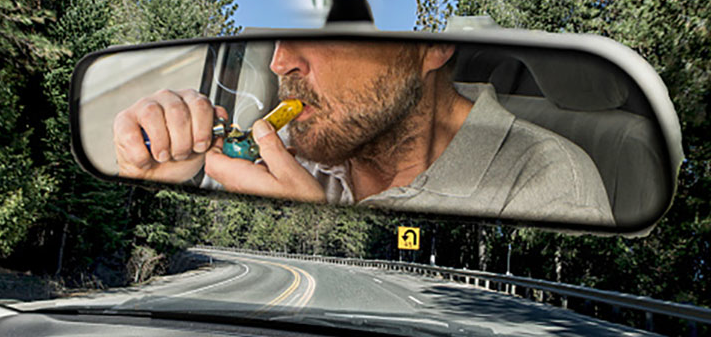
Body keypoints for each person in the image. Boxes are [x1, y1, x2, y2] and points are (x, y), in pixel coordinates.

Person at [113, 40, 615, 225]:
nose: (280, 61)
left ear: (431, 47)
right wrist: (156, 177)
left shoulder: (547, 182)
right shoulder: (285, 157)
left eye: (321, 32)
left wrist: (318, 227)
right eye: (277, 34)